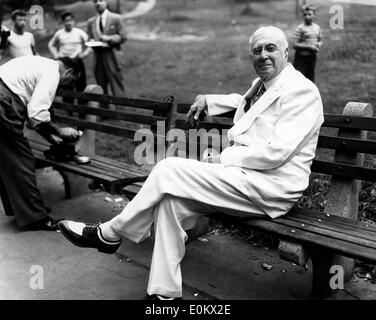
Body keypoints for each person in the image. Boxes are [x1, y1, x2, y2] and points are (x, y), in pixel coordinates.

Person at [57, 26, 324, 300]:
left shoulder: (302, 91)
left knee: (168, 167)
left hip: (273, 187)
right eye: (257, 51)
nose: (263, 56)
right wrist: (211, 100)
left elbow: (277, 152)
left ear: (286, 52)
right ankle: (164, 293)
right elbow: (249, 103)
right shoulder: (264, 84)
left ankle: (110, 232)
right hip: (246, 179)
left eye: (270, 48)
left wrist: (224, 158)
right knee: (171, 203)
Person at [0, 55, 81, 231]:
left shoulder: (40, 63)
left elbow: (32, 117)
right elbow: (36, 114)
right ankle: (35, 218)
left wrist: (51, 136)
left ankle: (22, 209)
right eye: (70, 81)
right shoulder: (52, 72)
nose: (65, 86)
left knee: (7, 160)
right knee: (23, 161)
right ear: (69, 71)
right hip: (3, 104)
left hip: (4, 99)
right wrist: (60, 131)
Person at [86, 0, 126, 98]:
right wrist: (91, 41)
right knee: (100, 87)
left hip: (112, 55)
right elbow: (89, 37)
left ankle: (120, 111)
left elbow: (123, 36)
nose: (98, 3)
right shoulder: (91, 21)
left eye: (101, 0)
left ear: (106, 2)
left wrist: (110, 38)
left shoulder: (116, 18)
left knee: (116, 86)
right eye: (95, 1)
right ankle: (104, 111)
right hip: (98, 56)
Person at [48, 12, 91, 95]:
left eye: (70, 20)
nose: (69, 23)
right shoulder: (59, 33)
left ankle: (82, 104)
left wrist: (85, 54)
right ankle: (68, 104)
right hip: (65, 63)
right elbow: (51, 45)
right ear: (64, 22)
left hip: (77, 60)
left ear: (74, 21)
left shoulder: (79, 32)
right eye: (66, 21)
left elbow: (90, 43)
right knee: (66, 85)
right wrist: (56, 55)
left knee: (80, 83)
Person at [292, 4, 323, 82]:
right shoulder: (300, 28)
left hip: (312, 56)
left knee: (310, 78)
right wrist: (309, 47)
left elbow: (319, 40)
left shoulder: (317, 28)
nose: (307, 16)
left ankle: (310, 93)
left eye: (309, 14)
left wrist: (319, 45)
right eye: (305, 15)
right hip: (301, 57)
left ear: (314, 15)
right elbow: (295, 44)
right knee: (299, 78)